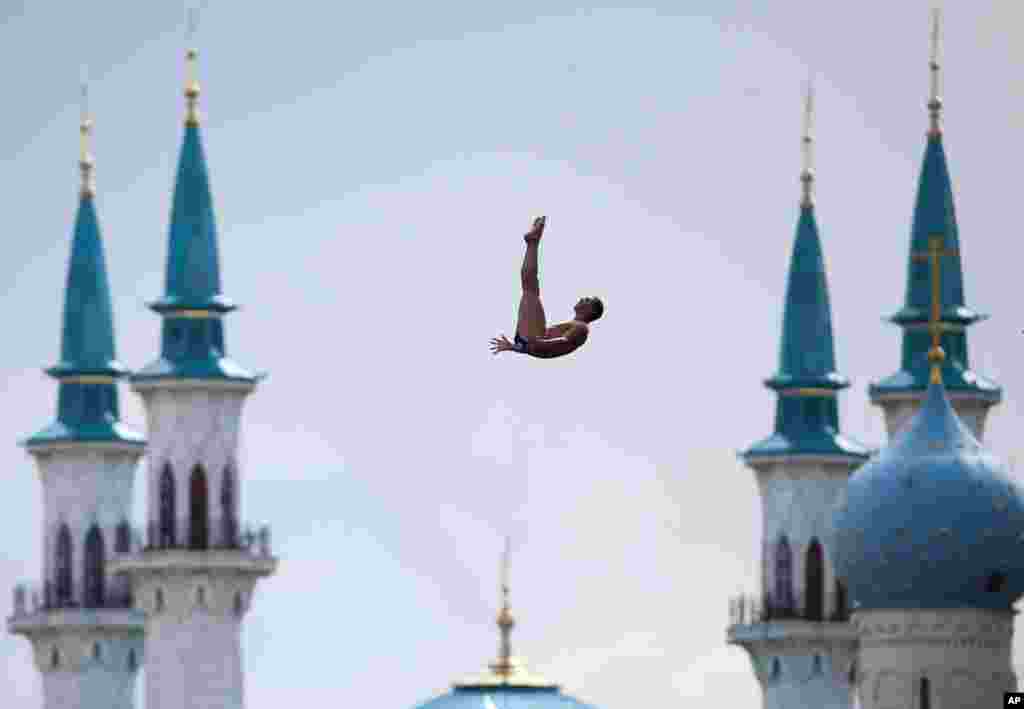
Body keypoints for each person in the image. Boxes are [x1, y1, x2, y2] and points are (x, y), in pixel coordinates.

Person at [490, 216, 603, 359]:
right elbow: (550, 347)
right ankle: (532, 243)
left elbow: (563, 342)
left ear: (591, 310)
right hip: (529, 340)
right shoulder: (576, 325)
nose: (582, 299)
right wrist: (516, 347)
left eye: (587, 300)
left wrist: (536, 343)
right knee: (529, 287)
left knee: (530, 288)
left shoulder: (582, 328)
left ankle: (533, 243)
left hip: (533, 340)